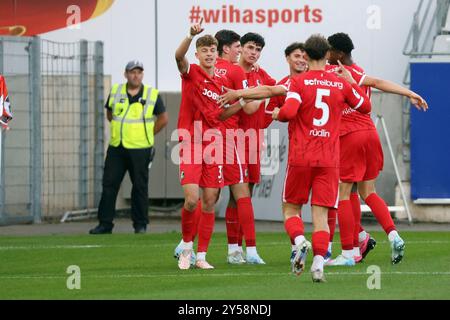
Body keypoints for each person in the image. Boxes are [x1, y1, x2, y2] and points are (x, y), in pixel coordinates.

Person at [219, 34, 372, 282]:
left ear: (307, 56)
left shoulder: (298, 83)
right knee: (321, 216)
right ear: (327, 56)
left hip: (301, 156)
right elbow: (365, 106)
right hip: (329, 159)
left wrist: (274, 111)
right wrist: (350, 83)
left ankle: (300, 241)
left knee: (291, 209)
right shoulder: (340, 83)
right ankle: (319, 264)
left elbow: (287, 109)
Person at [324, 33, 428, 266]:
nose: (326, 54)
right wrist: (410, 93)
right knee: (365, 191)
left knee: (342, 192)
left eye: (329, 50)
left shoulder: (333, 72)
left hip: (349, 137)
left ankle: (349, 253)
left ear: (339, 54)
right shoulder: (359, 72)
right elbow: (380, 83)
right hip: (370, 134)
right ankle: (393, 235)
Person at [174, 20, 230, 270]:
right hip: (190, 141)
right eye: (204, 51)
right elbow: (178, 56)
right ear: (197, 55)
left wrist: (241, 98)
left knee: (210, 200)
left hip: (213, 144)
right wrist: (189, 35)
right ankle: (186, 245)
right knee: (192, 199)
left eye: (212, 51)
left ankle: (202, 256)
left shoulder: (221, 86)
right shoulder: (191, 73)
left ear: (217, 55)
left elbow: (221, 115)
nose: (209, 54)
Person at [89, 61, 168, 235]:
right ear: (126, 74)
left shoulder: (151, 94)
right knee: (109, 185)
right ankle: (105, 224)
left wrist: (147, 133)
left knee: (139, 187)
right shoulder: (116, 91)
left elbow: (163, 118)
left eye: (139, 72)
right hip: (117, 147)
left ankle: (140, 225)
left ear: (142, 75)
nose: (136, 75)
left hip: (141, 148)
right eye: (132, 72)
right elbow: (110, 114)